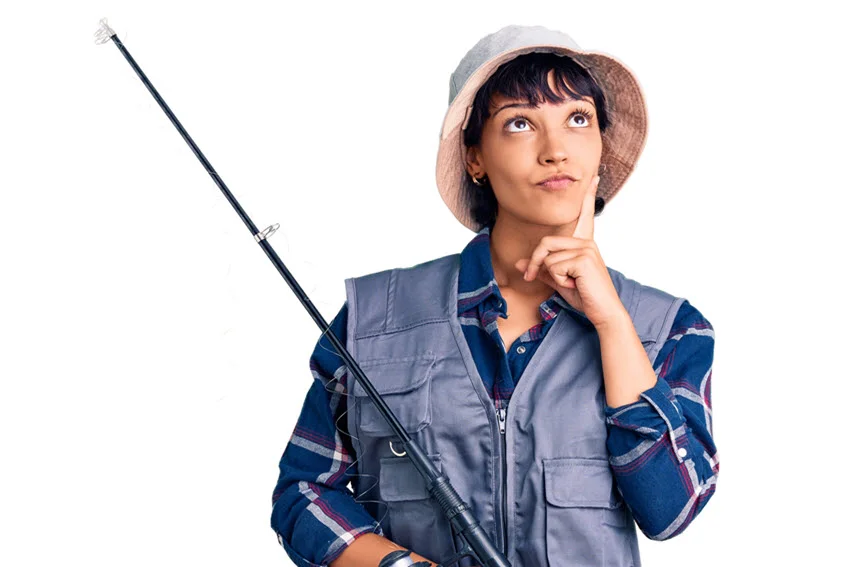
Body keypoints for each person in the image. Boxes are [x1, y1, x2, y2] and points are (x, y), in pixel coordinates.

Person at [271, 24, 719, 567]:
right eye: (520, 123)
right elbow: (304, 492)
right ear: (475, 157)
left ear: (601, 146)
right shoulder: (373, 323)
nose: (556, 150)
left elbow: (672, 511)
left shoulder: (669, 328)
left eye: (578, 119)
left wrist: (612, 326)